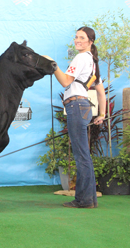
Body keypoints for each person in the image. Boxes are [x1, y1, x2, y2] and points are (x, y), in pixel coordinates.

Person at [44, 26, 106, 208]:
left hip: (76, 106)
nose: (77, 40)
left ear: (90, 41)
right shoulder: (93, 62)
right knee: (83, 155)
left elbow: (65, 81)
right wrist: (101, 114)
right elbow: (101, 93)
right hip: (84, 106)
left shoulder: (80, 58)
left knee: (81, 156)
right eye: (76, 37)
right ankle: (88, 199)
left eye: (82, 37)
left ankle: (84, 200)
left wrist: (53, 64)